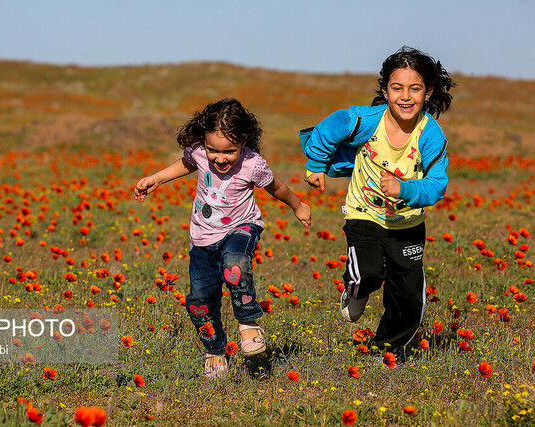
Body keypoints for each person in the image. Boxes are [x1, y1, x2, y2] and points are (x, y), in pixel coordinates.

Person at [135, 98, 311, 377]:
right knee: (200, 303)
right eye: (212, 150)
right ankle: (215, 351)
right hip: (202, 237)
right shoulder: (200, 153)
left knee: (235, 265)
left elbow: (276, 186)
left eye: (229, 151)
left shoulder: (253, 164)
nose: (219, 158)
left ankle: (249, 323)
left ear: (243, 141)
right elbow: (186, 163)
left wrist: (298, 205)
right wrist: (157, 178)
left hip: (241, 227)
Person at [300, 46, 455, 363]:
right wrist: (316, 165)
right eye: (397, 88)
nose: (406, 96)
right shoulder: (366, 120)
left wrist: (406, 189)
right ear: (385, 90)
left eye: (415, 88)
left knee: (408, 297)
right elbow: (328, 129)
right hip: (364, 215)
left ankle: (384, 349)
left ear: (428, 92)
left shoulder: (430, 135)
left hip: (407, 224)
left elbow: (437, 184)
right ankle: (355, 290)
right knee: (368, 271)